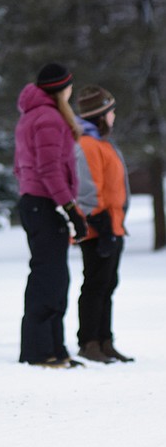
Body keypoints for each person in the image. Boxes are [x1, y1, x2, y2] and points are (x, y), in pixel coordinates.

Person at [14, 62, 88, 368]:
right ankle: (40, 351)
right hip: (44, 204)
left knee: (54, 276)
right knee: (50, 277)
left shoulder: (35, 115)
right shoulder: (47, 117)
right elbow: (49, 169)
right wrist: (71, 208)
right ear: (62, 88)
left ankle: (55, 349)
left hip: (38, 203)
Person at [73, 85, 133, 363]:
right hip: (97, 229)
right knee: (95, 285)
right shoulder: (87, 145)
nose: (114, 116)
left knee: (108, 284)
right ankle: (89, 342)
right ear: (100, 115)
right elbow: (88, 192)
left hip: (113, 227)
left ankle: (105, 340)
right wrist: (105, 229)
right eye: (111, 111)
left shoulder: (103, 143)